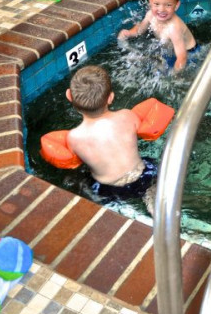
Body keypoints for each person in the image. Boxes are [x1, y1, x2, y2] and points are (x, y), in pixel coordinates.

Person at [65, 65, 156, 209]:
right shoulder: (127, 116)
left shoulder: (74, 137)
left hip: (109, 190)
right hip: (143, 176)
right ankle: (152, 204)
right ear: (111, 97)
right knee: (151, 186)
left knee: (80, 181)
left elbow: (73, 159)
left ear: (69, 95)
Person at [117, 0, 198, 71]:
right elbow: (140, 30)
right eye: (156, 4)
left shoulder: (174, 28)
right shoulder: (150, 15)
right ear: (150, 2)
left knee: (165, 71)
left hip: (189, 54)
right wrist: (128, 33)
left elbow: (182, 57)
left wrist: (174, 76)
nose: (161, 9)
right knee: (137, 61)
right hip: (170, 50)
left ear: (176, 5)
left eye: (168, 5)